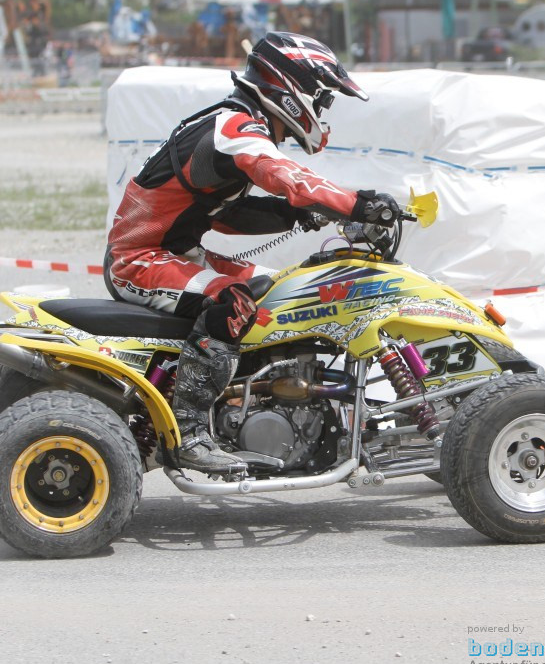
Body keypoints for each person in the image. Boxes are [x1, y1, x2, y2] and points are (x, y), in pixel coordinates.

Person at [105, 32, 399, 473]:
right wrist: (358, 204)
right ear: (294, 88)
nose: (321, 113)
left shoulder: (237, 126)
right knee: (233, 301)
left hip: (179, 252)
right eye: (322, 100)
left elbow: (226, 214)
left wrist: (299, 216)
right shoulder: (234, 126)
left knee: (284, 289)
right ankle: (190, 433)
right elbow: (286, 175)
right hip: (140, 260)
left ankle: (259, 398)